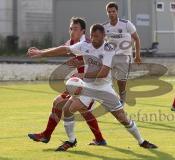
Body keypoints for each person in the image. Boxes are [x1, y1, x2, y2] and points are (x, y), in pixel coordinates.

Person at [27, 24, 157, 150]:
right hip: (88, 86)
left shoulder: (109, 49)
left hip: (104, 88)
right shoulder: (85, 46)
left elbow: (103, 73)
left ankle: (142, 141)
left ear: (104, 36)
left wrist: (83, 74)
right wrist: (41, 52)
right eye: (92, 36)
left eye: (97, 37)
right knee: (67, 108)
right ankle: (71, 141)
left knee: (123, 119)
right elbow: (64, 49)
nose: (94, 39)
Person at [27, 17, 106, 150]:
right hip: (80, 83)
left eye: (75, 29)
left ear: (83, 31)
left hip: (92, 83)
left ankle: (52, 136)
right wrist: (41, 52)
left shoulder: (87, 43)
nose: (72, 31)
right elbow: (61, 49)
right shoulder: (72, 42)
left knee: (66, 105)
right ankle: (99, 139)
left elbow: (99, 61)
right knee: (70, 106)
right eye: (71, 28)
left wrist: (84, 71)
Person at [102, 2, 141, 104]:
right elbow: (100, 41)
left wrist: (137, 56)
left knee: (121, 81)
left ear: (117, 12)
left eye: (113, 11)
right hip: (110, 56)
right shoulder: (104, 27)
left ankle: (122, 98)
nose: (111, 14)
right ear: (107, 13)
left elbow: (136, 39)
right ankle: (107, 98)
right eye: (109, 12)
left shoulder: (126, 24)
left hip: (124, 56)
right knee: (103, 76)